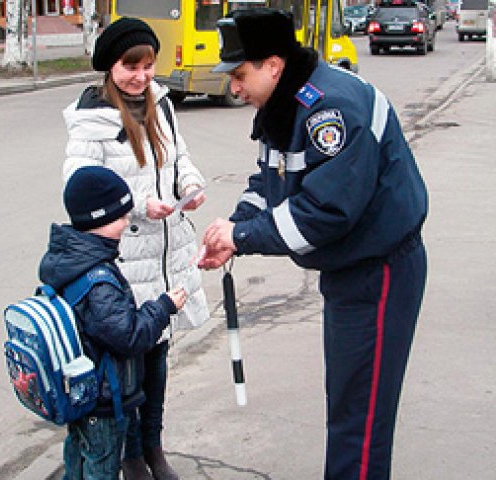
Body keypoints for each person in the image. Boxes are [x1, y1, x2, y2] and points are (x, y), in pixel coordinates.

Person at [199, 8, 428, 480]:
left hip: (378, 272)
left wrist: (240, 237)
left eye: (240, 75)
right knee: (348, 400)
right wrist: (236, 227)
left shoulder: (331, 110)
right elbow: (269, 180)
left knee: (359, 416)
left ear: (274, 66)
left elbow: (325, 213)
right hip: (352, 270)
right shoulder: (285, 105)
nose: (234, 87)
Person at [61, 17, 210, 480]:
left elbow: (179, 155)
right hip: (126, 258)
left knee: (158, 359)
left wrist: (190, 181)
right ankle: (129, 457)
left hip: (167, 254)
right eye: (131, 66)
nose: (141, 76)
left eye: (148, 65)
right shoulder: (92, 119)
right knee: (127, 369)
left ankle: (153, 447)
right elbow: (79, 187)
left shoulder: (161, 105)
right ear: (110, 66)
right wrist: (139, 204)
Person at [38, 166, 187, 480]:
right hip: (102, 398)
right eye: (121, 216)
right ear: (99, 220)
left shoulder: (69, 260)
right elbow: (128, 335)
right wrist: (163, 307)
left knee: (77, 457)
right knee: (102, 467)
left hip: (79, 391)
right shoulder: (99, 281)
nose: (127, 221)